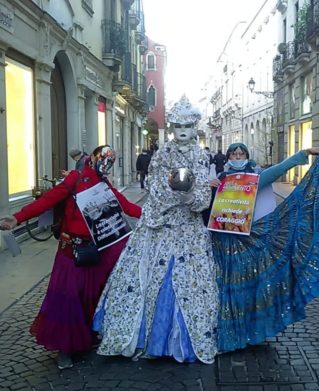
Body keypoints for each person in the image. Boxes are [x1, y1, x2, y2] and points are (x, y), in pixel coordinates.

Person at [93, 95, 218, 364]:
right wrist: (175, 192)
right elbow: (154, 185)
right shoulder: (162, 153)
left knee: (188, 281)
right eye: (177, 127)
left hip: (188, 230)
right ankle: (145, 336)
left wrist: (188, 196)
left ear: (194, 128)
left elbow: (202, 198)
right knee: (147, 278)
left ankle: (178, 341)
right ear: (172, 128)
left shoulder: (200, 155)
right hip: (159, 226)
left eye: (187, 127)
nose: (182, 132)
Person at [0, 145, 142, 370]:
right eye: (104, 161)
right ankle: (65, 349)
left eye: (111, 162)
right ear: (93, 159)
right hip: (71, 250)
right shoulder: (75, 179)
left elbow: (128, 207)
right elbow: (48, 200)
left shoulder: (104, 185)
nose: (107, 166)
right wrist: (18, 217)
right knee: (67, 299)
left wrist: (157, 213)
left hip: (96, 251)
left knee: (91, 297)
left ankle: (85, 339)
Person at [210, 143, 319, 353]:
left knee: (251, 283)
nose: (238, 157)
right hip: (223, 239)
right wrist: (207, 186)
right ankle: (228, 330)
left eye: (242, 153)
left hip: (249, 238)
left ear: (247, 155)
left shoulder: (254, 177)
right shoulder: (219, 177)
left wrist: (302, 155)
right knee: (226, 285)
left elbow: (278, 170)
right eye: (234, 154)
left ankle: (250, 328)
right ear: (228, 156)